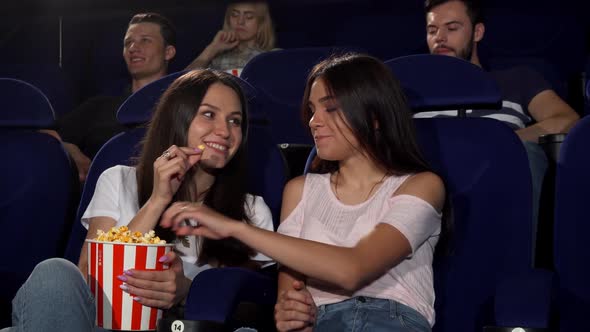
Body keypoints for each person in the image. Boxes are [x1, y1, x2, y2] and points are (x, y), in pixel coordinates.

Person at [161, 54, 448, 331]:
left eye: (331, 108)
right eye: (312, 110)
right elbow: (291, 298)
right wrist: (292, 315)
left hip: (390, 320)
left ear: (374, 117)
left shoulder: (421, 185)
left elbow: (353, 268)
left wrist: (234, 228)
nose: (314, 122)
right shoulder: (300, 191)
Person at [3, 69, 274, 332]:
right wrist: (158, 200)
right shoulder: (119, 180)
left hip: (172, 327)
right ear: (178, 118)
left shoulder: (251, 210)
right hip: (97, 322)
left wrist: (186, 290)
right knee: (54, 272)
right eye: (208, 114)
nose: (225, 131)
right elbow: (89, 277)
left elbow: (247, 304)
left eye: (235, 120)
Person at [422, 0, 579, 256]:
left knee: (526, 154)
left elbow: (567, 119)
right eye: (432, 30)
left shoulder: (516, 80)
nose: (440, 37)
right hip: (429, 187)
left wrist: (500, 142)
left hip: (496, 179)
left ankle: (518, 274)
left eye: (452, 28)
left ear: (477, 32)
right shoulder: (412, 94)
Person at [47, 12, 178, 182]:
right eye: (128, 42)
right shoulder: (98, 107)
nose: (133, 48)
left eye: (145, 40)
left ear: (168, 52)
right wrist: (73, 153)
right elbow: (48, 133)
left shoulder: (179, 108)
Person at [185, 1, 275, 72]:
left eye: (249, 17)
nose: (240, 22)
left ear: (261, 23)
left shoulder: (272, 56)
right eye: (234, 15)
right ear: (228, 20)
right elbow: (183, 84)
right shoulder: (216, 59)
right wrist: (213, 48)